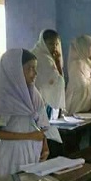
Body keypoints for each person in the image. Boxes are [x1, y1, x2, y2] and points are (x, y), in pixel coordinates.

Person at [0, 48, 51, 181]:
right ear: (13, 71)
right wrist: (30, 135)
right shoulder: (1, 94)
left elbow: (41, 124)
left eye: (35, 70)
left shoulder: (33, 93)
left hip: (30, 153)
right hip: (8, 156)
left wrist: (44, 145)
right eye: (29, 69)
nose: (33, 74)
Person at [31, 29, 65, 158]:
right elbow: (59, 81)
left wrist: (57, 61)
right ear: (43, 43)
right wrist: (57, 63)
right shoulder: (43, 58)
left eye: (56, 44)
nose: (54, 47)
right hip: (40, 104)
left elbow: (58, 81)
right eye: (51, 44)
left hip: (44, 105)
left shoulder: (37, 54)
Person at [65, 35, 91, 114]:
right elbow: (82, 85)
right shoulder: (76, 64)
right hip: (77, 102)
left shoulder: (86, 62)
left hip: (85, 101)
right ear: (85, 48)